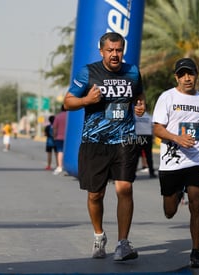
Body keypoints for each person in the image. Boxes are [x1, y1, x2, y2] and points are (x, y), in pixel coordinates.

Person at [63, 32, 145, 261]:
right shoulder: (88, 72)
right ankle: (99, 235)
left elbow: (139, 95)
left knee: (124, 188)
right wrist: (85, 101)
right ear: (101, 51)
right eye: (110, 50)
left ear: (123, 50)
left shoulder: (133, 72)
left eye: (118, 50)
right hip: (95, 142)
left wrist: (140, 106)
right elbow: (67, 102)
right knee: (95, 194)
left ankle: (123, 244)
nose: (115, 54)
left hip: (125, 140)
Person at [152, 58, 199, 268]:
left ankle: (196, 252)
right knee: (169, 211)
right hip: (172, 162)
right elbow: (157, 129)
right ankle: (177, 193)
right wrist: (177, 138)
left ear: (196, 75)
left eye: (190, 74)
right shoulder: (167, 97)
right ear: (176, 77)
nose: (187, 78)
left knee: (196, 200)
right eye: (182, 74)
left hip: (195, 160)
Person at [135, 111, 156, 178]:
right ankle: (151, 172)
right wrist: (153, 137)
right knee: (149, 156)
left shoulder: (134, 116)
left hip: (138, 136)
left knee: (136, 156)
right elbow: (153, 127)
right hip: (147, 136)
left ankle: (133, 173)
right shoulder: (150, 116)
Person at [52, 105, 67, 175]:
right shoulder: (69, 116)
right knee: (67, 152)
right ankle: (67, 166)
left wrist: (54, 136)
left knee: (60, 151)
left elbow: (55, 128)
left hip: (59, 137)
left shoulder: (58, 116)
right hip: (68, 138)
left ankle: (60, 166)